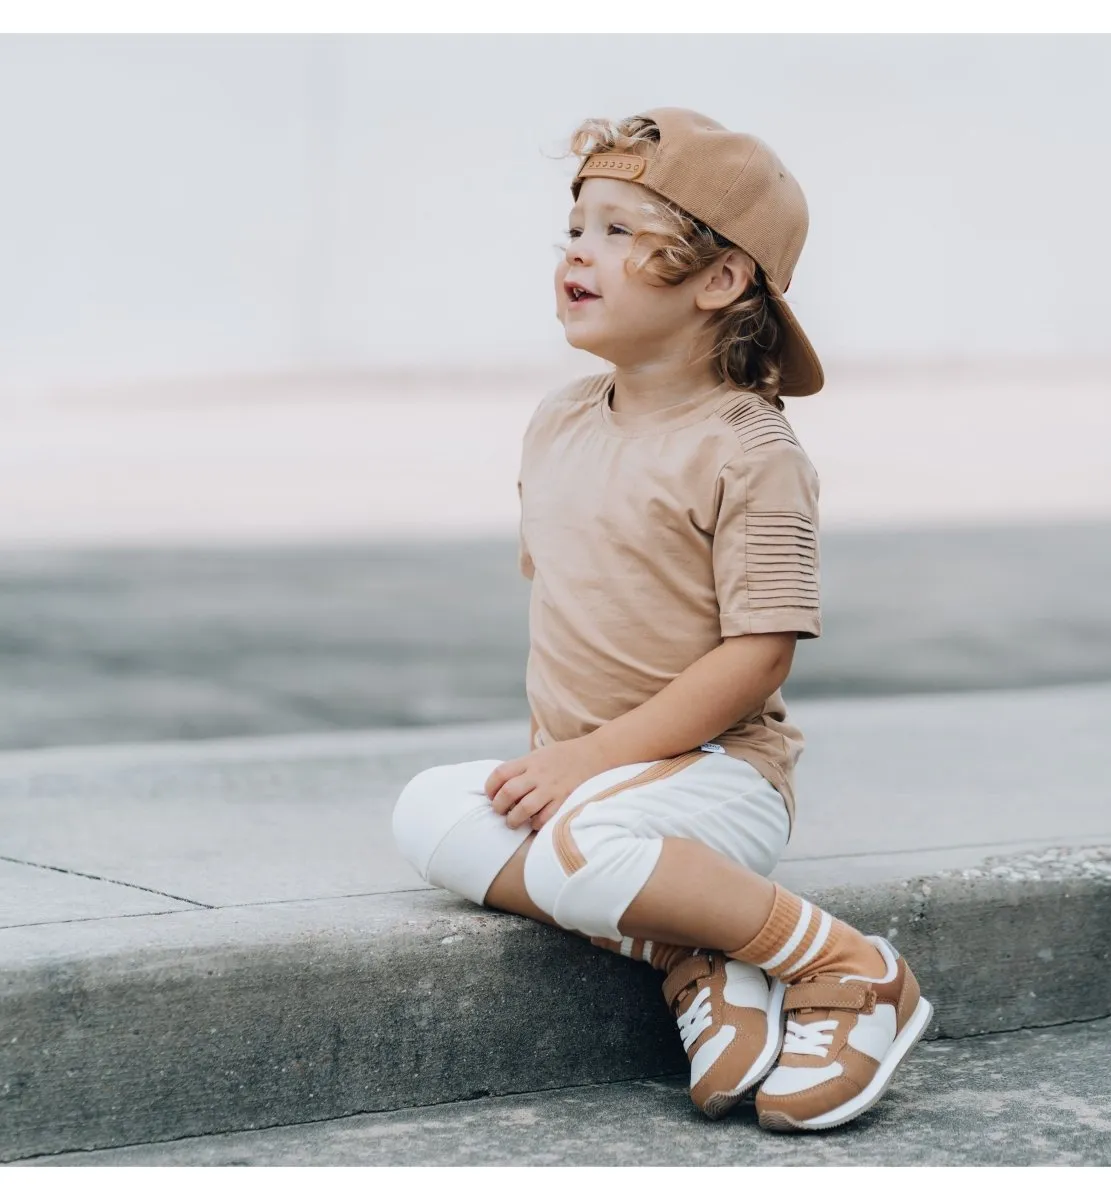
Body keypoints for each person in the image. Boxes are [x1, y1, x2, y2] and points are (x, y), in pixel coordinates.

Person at [392, 107, 932, 1132]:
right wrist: (573, 766)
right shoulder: (557, 420)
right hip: (592, 784)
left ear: (719, 282)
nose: (576, 255)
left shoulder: (749, 449)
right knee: (425, 811)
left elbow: (758, 658)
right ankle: (696, 958)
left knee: (582, 845)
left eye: (619, 233)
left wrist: (587, 762)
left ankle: (848, 971)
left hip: (715, 783)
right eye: (576, 229)